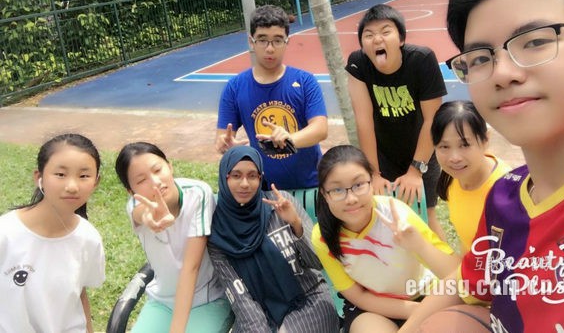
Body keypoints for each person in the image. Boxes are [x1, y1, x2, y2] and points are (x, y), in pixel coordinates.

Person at [399, 0, 564, 333]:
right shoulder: (505, 197)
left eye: (535, 41)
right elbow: (468, 280)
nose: (502, 72)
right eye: (479, 58)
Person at [311, 145, 460, 333]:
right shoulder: (322, 237)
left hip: (425, 296)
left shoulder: (397, 215)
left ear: (372, 182)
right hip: (373, 307)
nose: (351, 199)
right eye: (337, 190)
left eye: (358, 185)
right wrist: (418, 314)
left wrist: (419, 246)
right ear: (324, 194)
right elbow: (359, 296)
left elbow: (457, 273)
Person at [208, 145, 339, 333]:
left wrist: (296, 224)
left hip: (308, 300)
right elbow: (240, 298)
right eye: (236, 175)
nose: (245, 183)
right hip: (258, 315)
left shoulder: (281, 203)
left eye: (252, 176)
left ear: (260, 178)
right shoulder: (219, 234)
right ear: (224, 177)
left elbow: (317, 263)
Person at [345, 3, 447, 238]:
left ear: (401, 38)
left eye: (385, 31)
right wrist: (373, 172)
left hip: (421, 151)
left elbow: (432, 119)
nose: (377, 39)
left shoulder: (422, 59)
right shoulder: (358, 63)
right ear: (362, 45)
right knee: (385, 218)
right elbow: (364, 120)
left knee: (426, 217)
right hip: (383, 156)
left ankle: (445, 263)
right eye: (368, 35)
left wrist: (416, 170)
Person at [115, 142, 233, 333]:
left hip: (206, 300)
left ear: (169, 166)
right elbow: (140, 213)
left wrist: (176, 330)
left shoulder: (197, 194)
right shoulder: (136, 205)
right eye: (141, 180)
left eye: (157, 170)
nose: (155, 182)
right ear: (131, 191)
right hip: (161, 302)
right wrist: (149, 217)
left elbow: (191, 268)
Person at [0, 133, 105, 333]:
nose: (72, 186)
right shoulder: (5, 233)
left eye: (84, 176)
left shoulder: (89, 238)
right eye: (60, 174)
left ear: (96, 182)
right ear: (39, 177)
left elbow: (80, 294)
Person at [215, 4, 328, 190]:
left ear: (287, 41)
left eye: (277, 40)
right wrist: (227, 147)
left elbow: (320, 129)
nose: (269, 48)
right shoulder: (234, 87)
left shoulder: (305, 81)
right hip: (264, 190)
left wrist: (289, 138)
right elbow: (223, 137)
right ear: (251, 42)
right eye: (262, 40)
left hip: (311, 185)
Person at [432, 100, 512, 254]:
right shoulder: (452, 179)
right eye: (444, 146)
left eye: (465, 145)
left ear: (486, 140)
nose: (454, 158)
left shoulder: (505, 190)